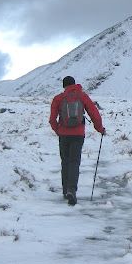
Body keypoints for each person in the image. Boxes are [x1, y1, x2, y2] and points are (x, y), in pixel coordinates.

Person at [49, 76, 105, 206]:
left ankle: (65, 190)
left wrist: (58, 130)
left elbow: (52, 119)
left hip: (63, 135)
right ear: (75, 84)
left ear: (64, 86)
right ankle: (72, 190)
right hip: (78, 134)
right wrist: (100, 129)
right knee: (74, 161)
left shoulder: (58, 98)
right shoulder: (82, 96)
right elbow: (94, 113)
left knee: (65, 162)